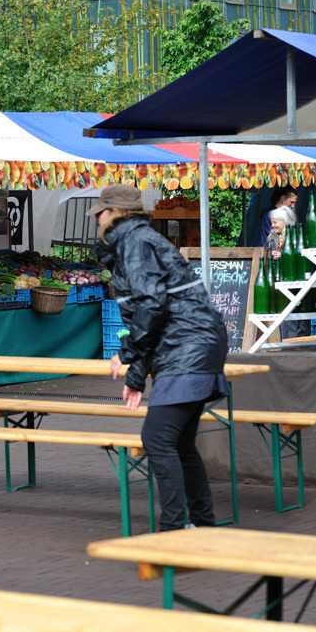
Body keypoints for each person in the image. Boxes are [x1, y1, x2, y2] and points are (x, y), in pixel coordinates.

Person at [89, 184, 229, 532]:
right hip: (194, 347)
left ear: (114, 214)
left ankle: (173, 530)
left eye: (100, 213)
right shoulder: (135, 242)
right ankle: (201, 525)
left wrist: (128, 355)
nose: (97, 220)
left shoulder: (135, 243)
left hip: (188, 350)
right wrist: (137, 374)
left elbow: (152, 307)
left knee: (158, 440)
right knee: (179, 443)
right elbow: (149, 315)